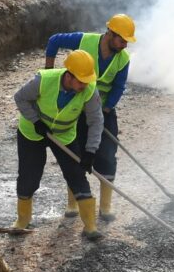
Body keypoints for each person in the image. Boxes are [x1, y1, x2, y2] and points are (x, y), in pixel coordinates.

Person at [44, 14, 136, 222]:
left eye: (127, 42)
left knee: (107, 155)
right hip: (76, 107)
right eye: (122, 40)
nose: (125, 46)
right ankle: (73, 202)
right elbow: (54, 41)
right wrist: (48, 70)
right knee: (73, 152)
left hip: (102, 110)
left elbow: (119, 87)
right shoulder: (84, 41)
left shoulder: (123, 59)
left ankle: (105, 206)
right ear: (110, 34)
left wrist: (106, 108)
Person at [11, 50, 105, 241]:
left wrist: (90, 151)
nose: (84, 86)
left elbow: (96, 121)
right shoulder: (43, 80)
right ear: (68, 76)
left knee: (77, 175)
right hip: (32, 132)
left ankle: (90, 226)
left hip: (64, 136)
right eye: (81, 81)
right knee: (29, 176)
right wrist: (36, 121)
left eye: (87, 81)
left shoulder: (89, 90)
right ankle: (23, 220)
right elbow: (20, 97)